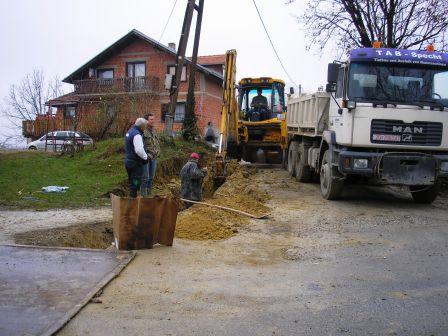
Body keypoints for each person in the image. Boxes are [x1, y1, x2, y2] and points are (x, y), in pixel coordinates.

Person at [124, 118, 148, 198]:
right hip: (135, 163)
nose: (145, 128)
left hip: (128, 161)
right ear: (142, 126)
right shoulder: (137, 135)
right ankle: (132, 201)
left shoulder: (130, 131)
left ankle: (131, 198)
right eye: (145, 126)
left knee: (132, 181)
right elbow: (139, 150)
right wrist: (145, 157)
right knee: (136, 181)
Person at [141, 113, 160, 197]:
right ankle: (144, 195)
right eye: (151, 119)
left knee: (151, 177)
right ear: (146, 121)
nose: (153, 121)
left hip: (154, 158)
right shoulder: (143, 131)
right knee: (145, 177)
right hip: (146, 158)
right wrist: (145, 155)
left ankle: (149, 193)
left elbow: (157, 143)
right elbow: (140, 145)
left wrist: (158, 151)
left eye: (153, 119)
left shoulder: (154, 130)